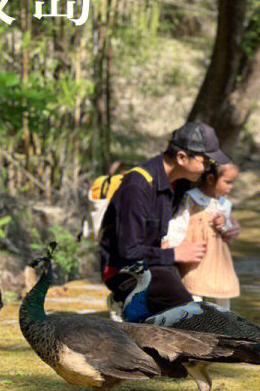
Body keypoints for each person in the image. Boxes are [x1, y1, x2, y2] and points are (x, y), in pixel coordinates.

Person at [98, 122, 232, 316]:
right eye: (205, 161)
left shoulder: (182, 183)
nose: (207, 168)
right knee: (190, 314)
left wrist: (228, 225)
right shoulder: (137, 187)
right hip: (124, 269)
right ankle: (124, 300)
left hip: (159, 261)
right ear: (181, 157)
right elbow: (128, 251)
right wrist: (175, 254)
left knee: (205, 297)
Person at [163, 160, 241, 310]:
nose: (230, 188)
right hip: (197, 253)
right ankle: (195, 317)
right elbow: (180, 221)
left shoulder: (224, 204)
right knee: (194, 284)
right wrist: (170, 242)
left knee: (222, 287)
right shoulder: (192, 198)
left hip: (217, 255)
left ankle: (225, 319)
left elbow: (227, 230)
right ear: (211, 179)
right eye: (227, 182)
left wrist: (224, 223)